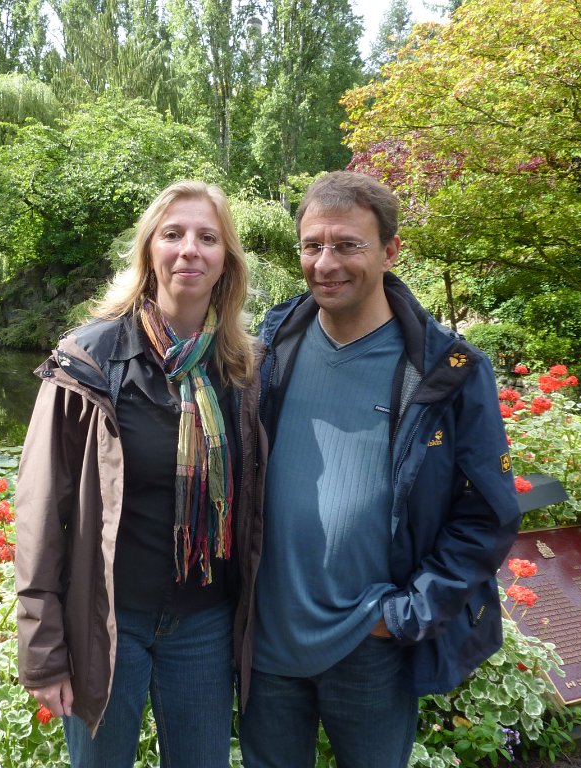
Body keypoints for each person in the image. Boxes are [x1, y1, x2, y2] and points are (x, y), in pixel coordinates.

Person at [236, 171, 521, 768]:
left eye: (348, 245)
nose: (326, 262)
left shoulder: (447, 370)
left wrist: (403, 616)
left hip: (369, 648)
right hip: (266, 645)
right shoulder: (271, 348)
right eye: (312, 245)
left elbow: (487, 516)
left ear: (391, 251)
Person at [14, 180, 265, 768]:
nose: (189, 250)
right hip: (108, 626)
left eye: (208, 237)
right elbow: (39, 512)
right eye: (172, 235)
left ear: (226, 260)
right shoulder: (90, 360)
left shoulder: (240, 369)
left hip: (205, 625)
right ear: (148, 252)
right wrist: (45, 650)